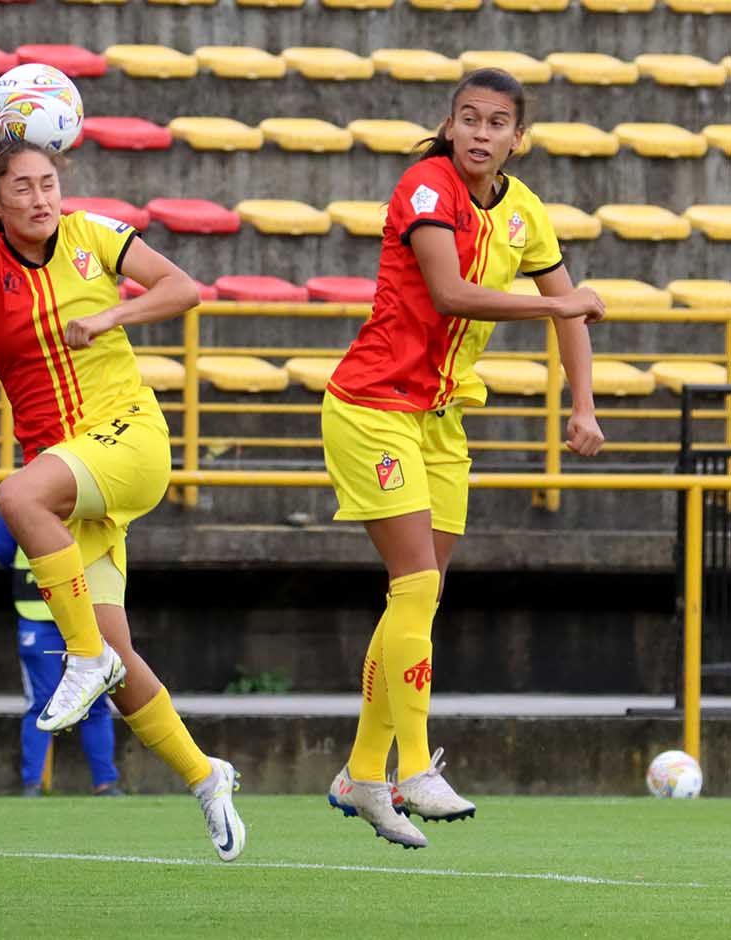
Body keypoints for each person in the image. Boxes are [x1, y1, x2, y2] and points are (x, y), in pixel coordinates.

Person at [0, 137, 245, 861]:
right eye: (22, 189)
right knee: (122, 663)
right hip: (69, 473)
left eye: (48, 183)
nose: (40, 199)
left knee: (16, 497)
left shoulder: (93, 234)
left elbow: (182, 288)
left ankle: (81, 656)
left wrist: (109, 318)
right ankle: (205, 776)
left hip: (127, 436)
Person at [320, 69, 606, 849]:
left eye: (497, 122)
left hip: (441, 420)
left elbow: (570, 312)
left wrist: (581, 403)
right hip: (372, 407)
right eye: (468, 119)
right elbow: (449, 292)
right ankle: (411, 767)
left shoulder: (524, 212)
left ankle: (357, 774)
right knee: (414, 583)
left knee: (416, 598)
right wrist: (555, 304)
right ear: (448, 128)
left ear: (518, 138)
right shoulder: (424, 186)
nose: (480, 133)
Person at [0, 513, 119, 797]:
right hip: (78, 612)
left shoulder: (18, 486)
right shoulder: (90, 481)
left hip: (41, 610)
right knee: (94, 699)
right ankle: (105, 785)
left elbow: (3, 551)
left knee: (43, 702)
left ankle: (33, 787)